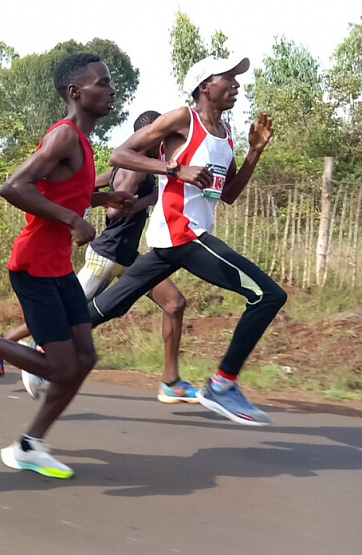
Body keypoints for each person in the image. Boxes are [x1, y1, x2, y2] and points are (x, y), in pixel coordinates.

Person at [0, 53, 132, 479]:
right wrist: (73, 219)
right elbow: (13, 187)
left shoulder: (82, 141)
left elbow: (59, 192)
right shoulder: (64, 136)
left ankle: (29, 445)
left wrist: (101, 200)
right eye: (102, 83)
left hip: (57, 267)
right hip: (34, 265)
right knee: (59, 367)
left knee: (84, 359)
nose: (111, 90)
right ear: (76, 92)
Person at [87, 55, 282, 426]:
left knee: (109, 305)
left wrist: (255, 151)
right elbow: (119, 154)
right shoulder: (183, 119)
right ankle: (223, 385)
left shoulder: (225, 134)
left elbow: (228, 195)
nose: (237, 84)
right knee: (268, 295)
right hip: (183, 233)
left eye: (237, 78)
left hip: (175, 240)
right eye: (229, 78)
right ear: (205, 86)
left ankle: (46, 346)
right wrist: (175, 169)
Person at [0, 111, 196, 405]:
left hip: (127, 256)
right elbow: (114, 212)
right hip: (107, 254)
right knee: (62, 314)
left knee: (174, 303)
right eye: (161, 135)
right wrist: (153, 199)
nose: (164, 141)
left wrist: (87, 195)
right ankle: (5, 345)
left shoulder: (137, 167)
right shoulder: (137, 170)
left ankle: (171, 381)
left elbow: (88, 185)